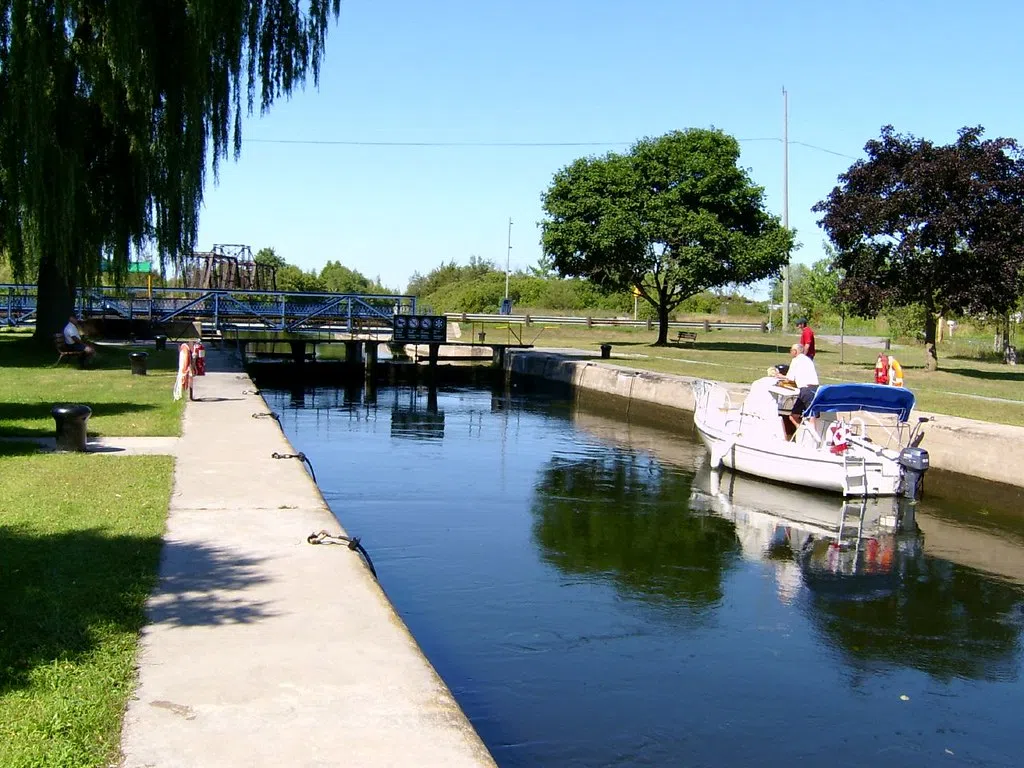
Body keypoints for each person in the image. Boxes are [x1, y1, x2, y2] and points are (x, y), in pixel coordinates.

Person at [774, 343, 819, 436]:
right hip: (815, 389)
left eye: (791, 350)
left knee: (810, 416)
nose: (790, 352)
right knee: (793, 416)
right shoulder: (808, 360)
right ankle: (802, 431)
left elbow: (790, 378)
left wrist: (780, 376)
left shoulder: (795, 360)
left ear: (795, 351)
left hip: (806, 390)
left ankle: (810, 435)